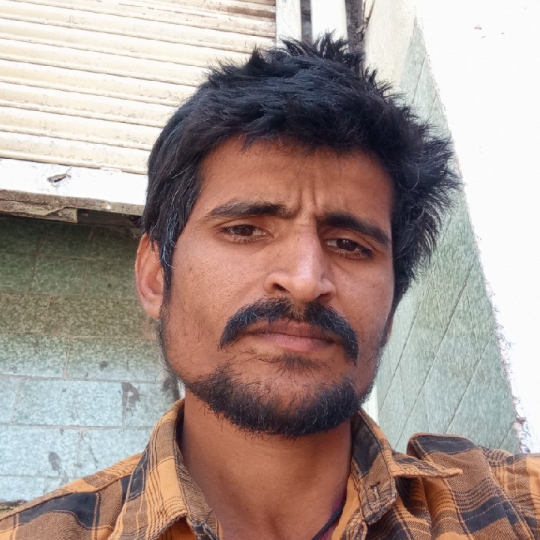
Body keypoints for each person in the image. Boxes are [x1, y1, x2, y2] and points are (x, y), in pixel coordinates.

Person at [1, 35, 539, 540]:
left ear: (392, 306)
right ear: (155, 276)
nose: (305, 281)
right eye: (244, 230)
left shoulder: (509, 509)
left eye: (350, 244)